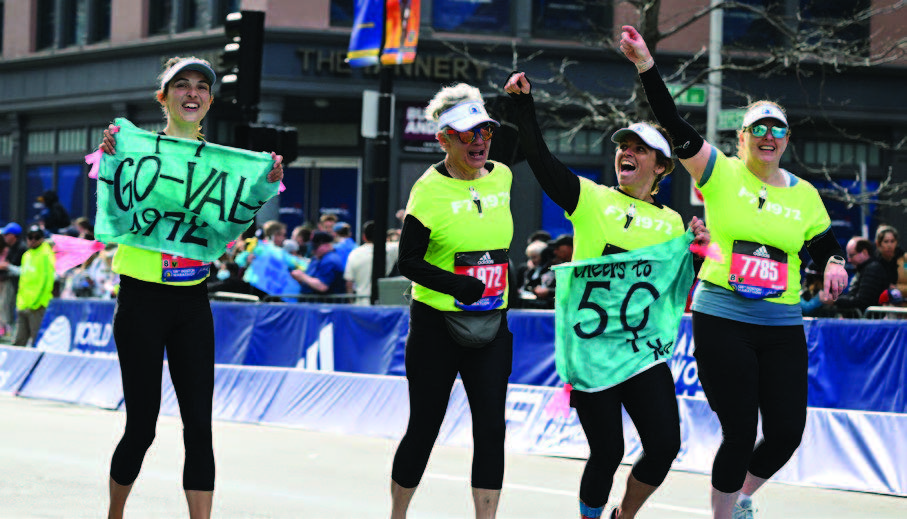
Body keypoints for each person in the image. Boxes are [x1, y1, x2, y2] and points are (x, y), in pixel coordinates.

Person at [619, 26, 849, 519]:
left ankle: (740, 498)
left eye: (777, 130)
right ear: (742, 137)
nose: (768, 137)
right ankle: (723, 515)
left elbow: (825, 244)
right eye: (758, 129)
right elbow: (670, 121)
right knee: (740, 430)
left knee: (787, 431)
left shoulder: (804, 194)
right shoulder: (718, 172)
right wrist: (645, 64)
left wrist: (835, 261)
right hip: (722, 315)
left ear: (786, 140)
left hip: (781, 323)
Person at [505, 71, 710, 519]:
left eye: (639, 148)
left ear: (661, 166)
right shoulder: (591, 199)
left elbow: (675, 290)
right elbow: (540, 160)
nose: (626, 153)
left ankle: (625, 515)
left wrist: (696, 253)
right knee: (607, 450)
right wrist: (524, 107)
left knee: (664, 446)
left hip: (641, 352)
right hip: (593, 351)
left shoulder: (674, 223)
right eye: (623, 147)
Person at [97, 56, 284, 519]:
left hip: (192, 302)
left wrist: (262, 189)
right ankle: (114, 513)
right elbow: (115, 214)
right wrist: (112, 158)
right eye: (181, 85)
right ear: (164, 98)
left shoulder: (223, 166)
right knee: (142, 427)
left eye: (201, 86)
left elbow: (230, 228)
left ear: (210, 101)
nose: (192, 93)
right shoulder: (136, 150)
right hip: (140, 299)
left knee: (199, 427)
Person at [389, 83, 514, 519]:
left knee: (491, 430)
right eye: (466, 134)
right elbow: (408, 262)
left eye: (485, 132)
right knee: (424, 427)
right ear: (443, 139)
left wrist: (523, 99)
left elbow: (529, 139)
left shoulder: (503, 174)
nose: (479, 141)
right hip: (436, 326)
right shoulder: (428, 191)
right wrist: (456, 285)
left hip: (493, 323)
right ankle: (398, 514)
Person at [13, 226, 55, 346]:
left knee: (36, 339)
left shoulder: (46, 255)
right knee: (19, 340)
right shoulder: (26, 255)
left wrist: (38, 302)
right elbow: (23, 280)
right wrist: (20, 301)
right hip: (23, 303)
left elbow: (47, 281)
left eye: (36, 237)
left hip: (37, 305)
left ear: (42, 239)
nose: (33, 240)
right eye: (30, 237)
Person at [825, 237, 889, 316]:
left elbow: (862, 301)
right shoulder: (863, 270)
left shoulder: (872, 269)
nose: (849, 260)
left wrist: (835, 300)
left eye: (851, 255)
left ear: (865, 252)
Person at [344, 220, 399, 305]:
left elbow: (349, 282)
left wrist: (352, 302)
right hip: (385, 304)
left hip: (361, 304)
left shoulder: (354, 253)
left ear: (364, 236)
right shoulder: (391, 249)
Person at [291, 231, 346, 297]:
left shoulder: (330, 260)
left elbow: (323, 286)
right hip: (312, 304)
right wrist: (301, 279)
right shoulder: (317, 258)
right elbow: (310, 278)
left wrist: (302, 276)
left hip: (327, 305)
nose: (313, 250)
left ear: (327, 245)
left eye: (315, 247)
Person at [0, 222, 27, 337]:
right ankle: (7, 330)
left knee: (11, 308)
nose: (5, 237)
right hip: (11, 282)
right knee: (5, 306)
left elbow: (23, 270)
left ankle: (11, 332)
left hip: (19, 285)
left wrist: (7, 266)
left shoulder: (22, 248)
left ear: (13, 235)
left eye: (7, 234)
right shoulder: (11, 248)